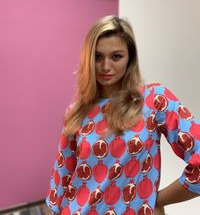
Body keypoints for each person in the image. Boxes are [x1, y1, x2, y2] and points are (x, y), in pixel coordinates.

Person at [46, 15, 200, 215]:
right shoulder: (76, 112)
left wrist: (155, 199)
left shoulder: (155, 100)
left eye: (116, 56)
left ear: (130, 58)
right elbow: (60, 184)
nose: (106, 66)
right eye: (98, 56)